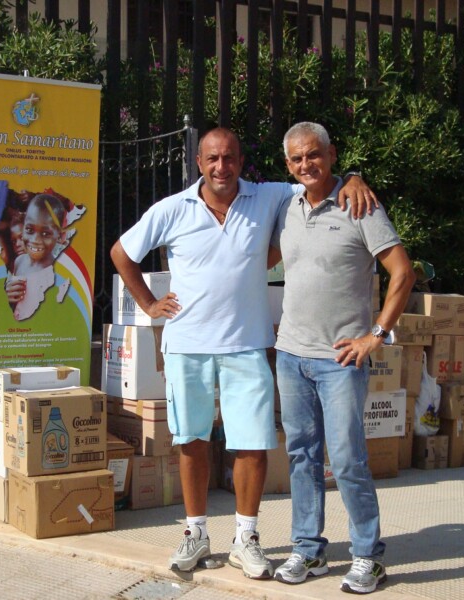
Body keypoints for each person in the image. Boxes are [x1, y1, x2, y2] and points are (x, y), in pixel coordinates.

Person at [109, 127, 377, 580]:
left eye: (230, 157)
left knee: (252, 444)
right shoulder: (172, 208)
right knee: (191, 442)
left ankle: (245, 538)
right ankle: (195, 533)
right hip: (187, 346)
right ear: (199, 163)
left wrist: (353, 176)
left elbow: (315, 178)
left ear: (241, 161)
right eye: (213, 159)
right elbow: (121, 253)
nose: (222, 167)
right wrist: (150, 305)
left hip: (247, 345)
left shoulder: (268, 196)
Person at [269, 122, 415, 594]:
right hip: (291, 355)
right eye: (296, 159)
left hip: (341, 361)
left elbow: (403, 272)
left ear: (331, 154)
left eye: (314, 155)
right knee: (301, 456)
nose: (306, 165)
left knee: (349, 459)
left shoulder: (360, 205)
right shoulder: (286, 207)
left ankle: (368, 557)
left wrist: (376, 336)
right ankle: (309, 550)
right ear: (287, 164)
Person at [6, 193, 75, 320]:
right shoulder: (19, 261)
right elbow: (14, 304)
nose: (35, 240)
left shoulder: (59, 273)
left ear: (59, 236)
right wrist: (10, 295)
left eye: (45, 233)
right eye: (29, 230)